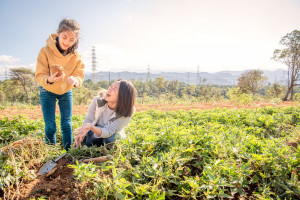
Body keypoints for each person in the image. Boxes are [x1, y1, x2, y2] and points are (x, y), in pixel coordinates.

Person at [35, 19, 85, 150]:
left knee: (67, 124)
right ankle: (51, 153)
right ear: (57, 33)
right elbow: (40, 75)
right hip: (47, 90)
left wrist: (76, 80)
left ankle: (68, 152)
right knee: (50, 125)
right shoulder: (45, 51)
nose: (67, 42)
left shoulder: (76, 56)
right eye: (64, 37)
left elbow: (79, 74)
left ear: (76, 39)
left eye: (71, 39)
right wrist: (50, 79)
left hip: (66, 91)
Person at [73, 80, 136, 148]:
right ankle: (96, 146)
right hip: (94, 132)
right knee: (92, 137)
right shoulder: (97, 100)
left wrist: (91, 127)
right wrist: (82, 132)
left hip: (110, 133)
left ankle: (105, 149)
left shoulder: (126, 112)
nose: (109, 89)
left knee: (112, 139)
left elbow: (109, 131)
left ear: (122, 95)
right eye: (111, 86)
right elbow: (89, 119)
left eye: (114, 88)